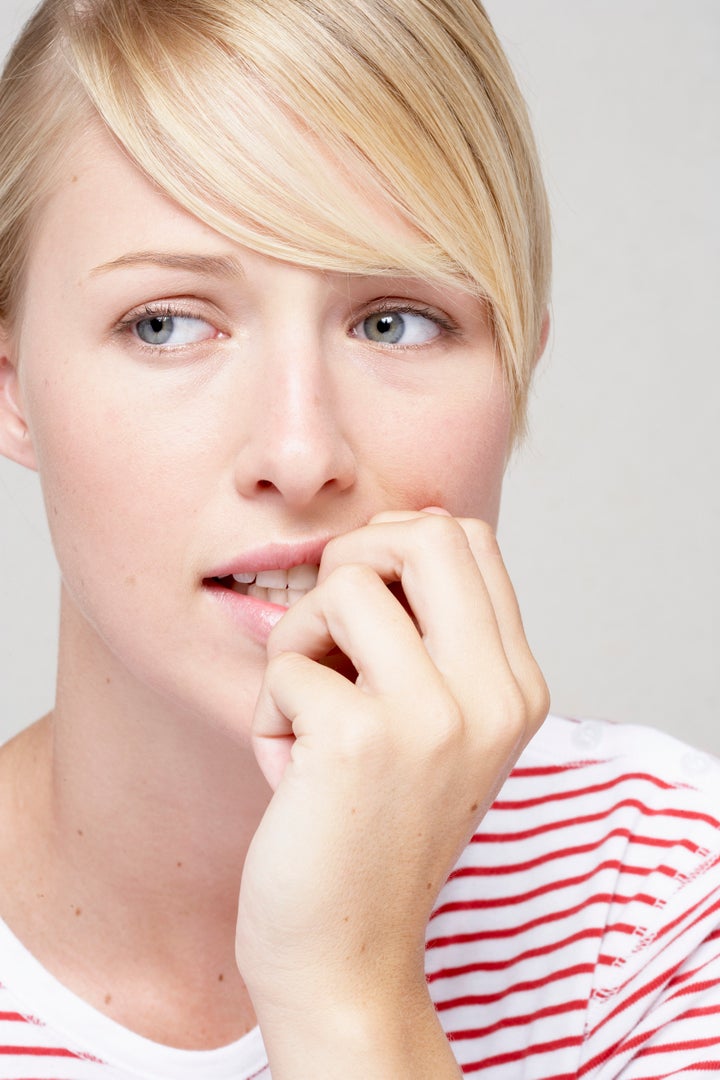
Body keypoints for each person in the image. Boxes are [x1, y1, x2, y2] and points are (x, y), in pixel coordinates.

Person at [0, 0, 718, 1077]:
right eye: (166, 322)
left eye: (393, 320)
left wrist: (346, 988)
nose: (298, 452)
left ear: (519, 363)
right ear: (11, 387)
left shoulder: (660, 901)